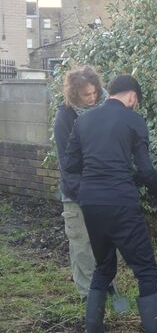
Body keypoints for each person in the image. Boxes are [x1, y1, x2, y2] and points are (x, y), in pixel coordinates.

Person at [63, 75, 157, 333]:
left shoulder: (84, 120)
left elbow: (70, 167)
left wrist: (85, 193)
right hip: (121, 204)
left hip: (92, 205)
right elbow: (144, 169)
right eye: (136, 101)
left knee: (104, 267)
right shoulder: (133, 121)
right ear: (132, 96)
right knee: (146, 271)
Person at [54, 66, 107, 300]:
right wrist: (83, 192)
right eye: (87, 95)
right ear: (74, 94)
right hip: (76, 194)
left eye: (95, 92)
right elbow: (67, 164)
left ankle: (106, 287)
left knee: (104, 243)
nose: (93, 98)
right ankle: (88, 296)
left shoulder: (103, 111)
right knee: (82, 245)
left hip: (102, 190)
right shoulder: (64, 118)